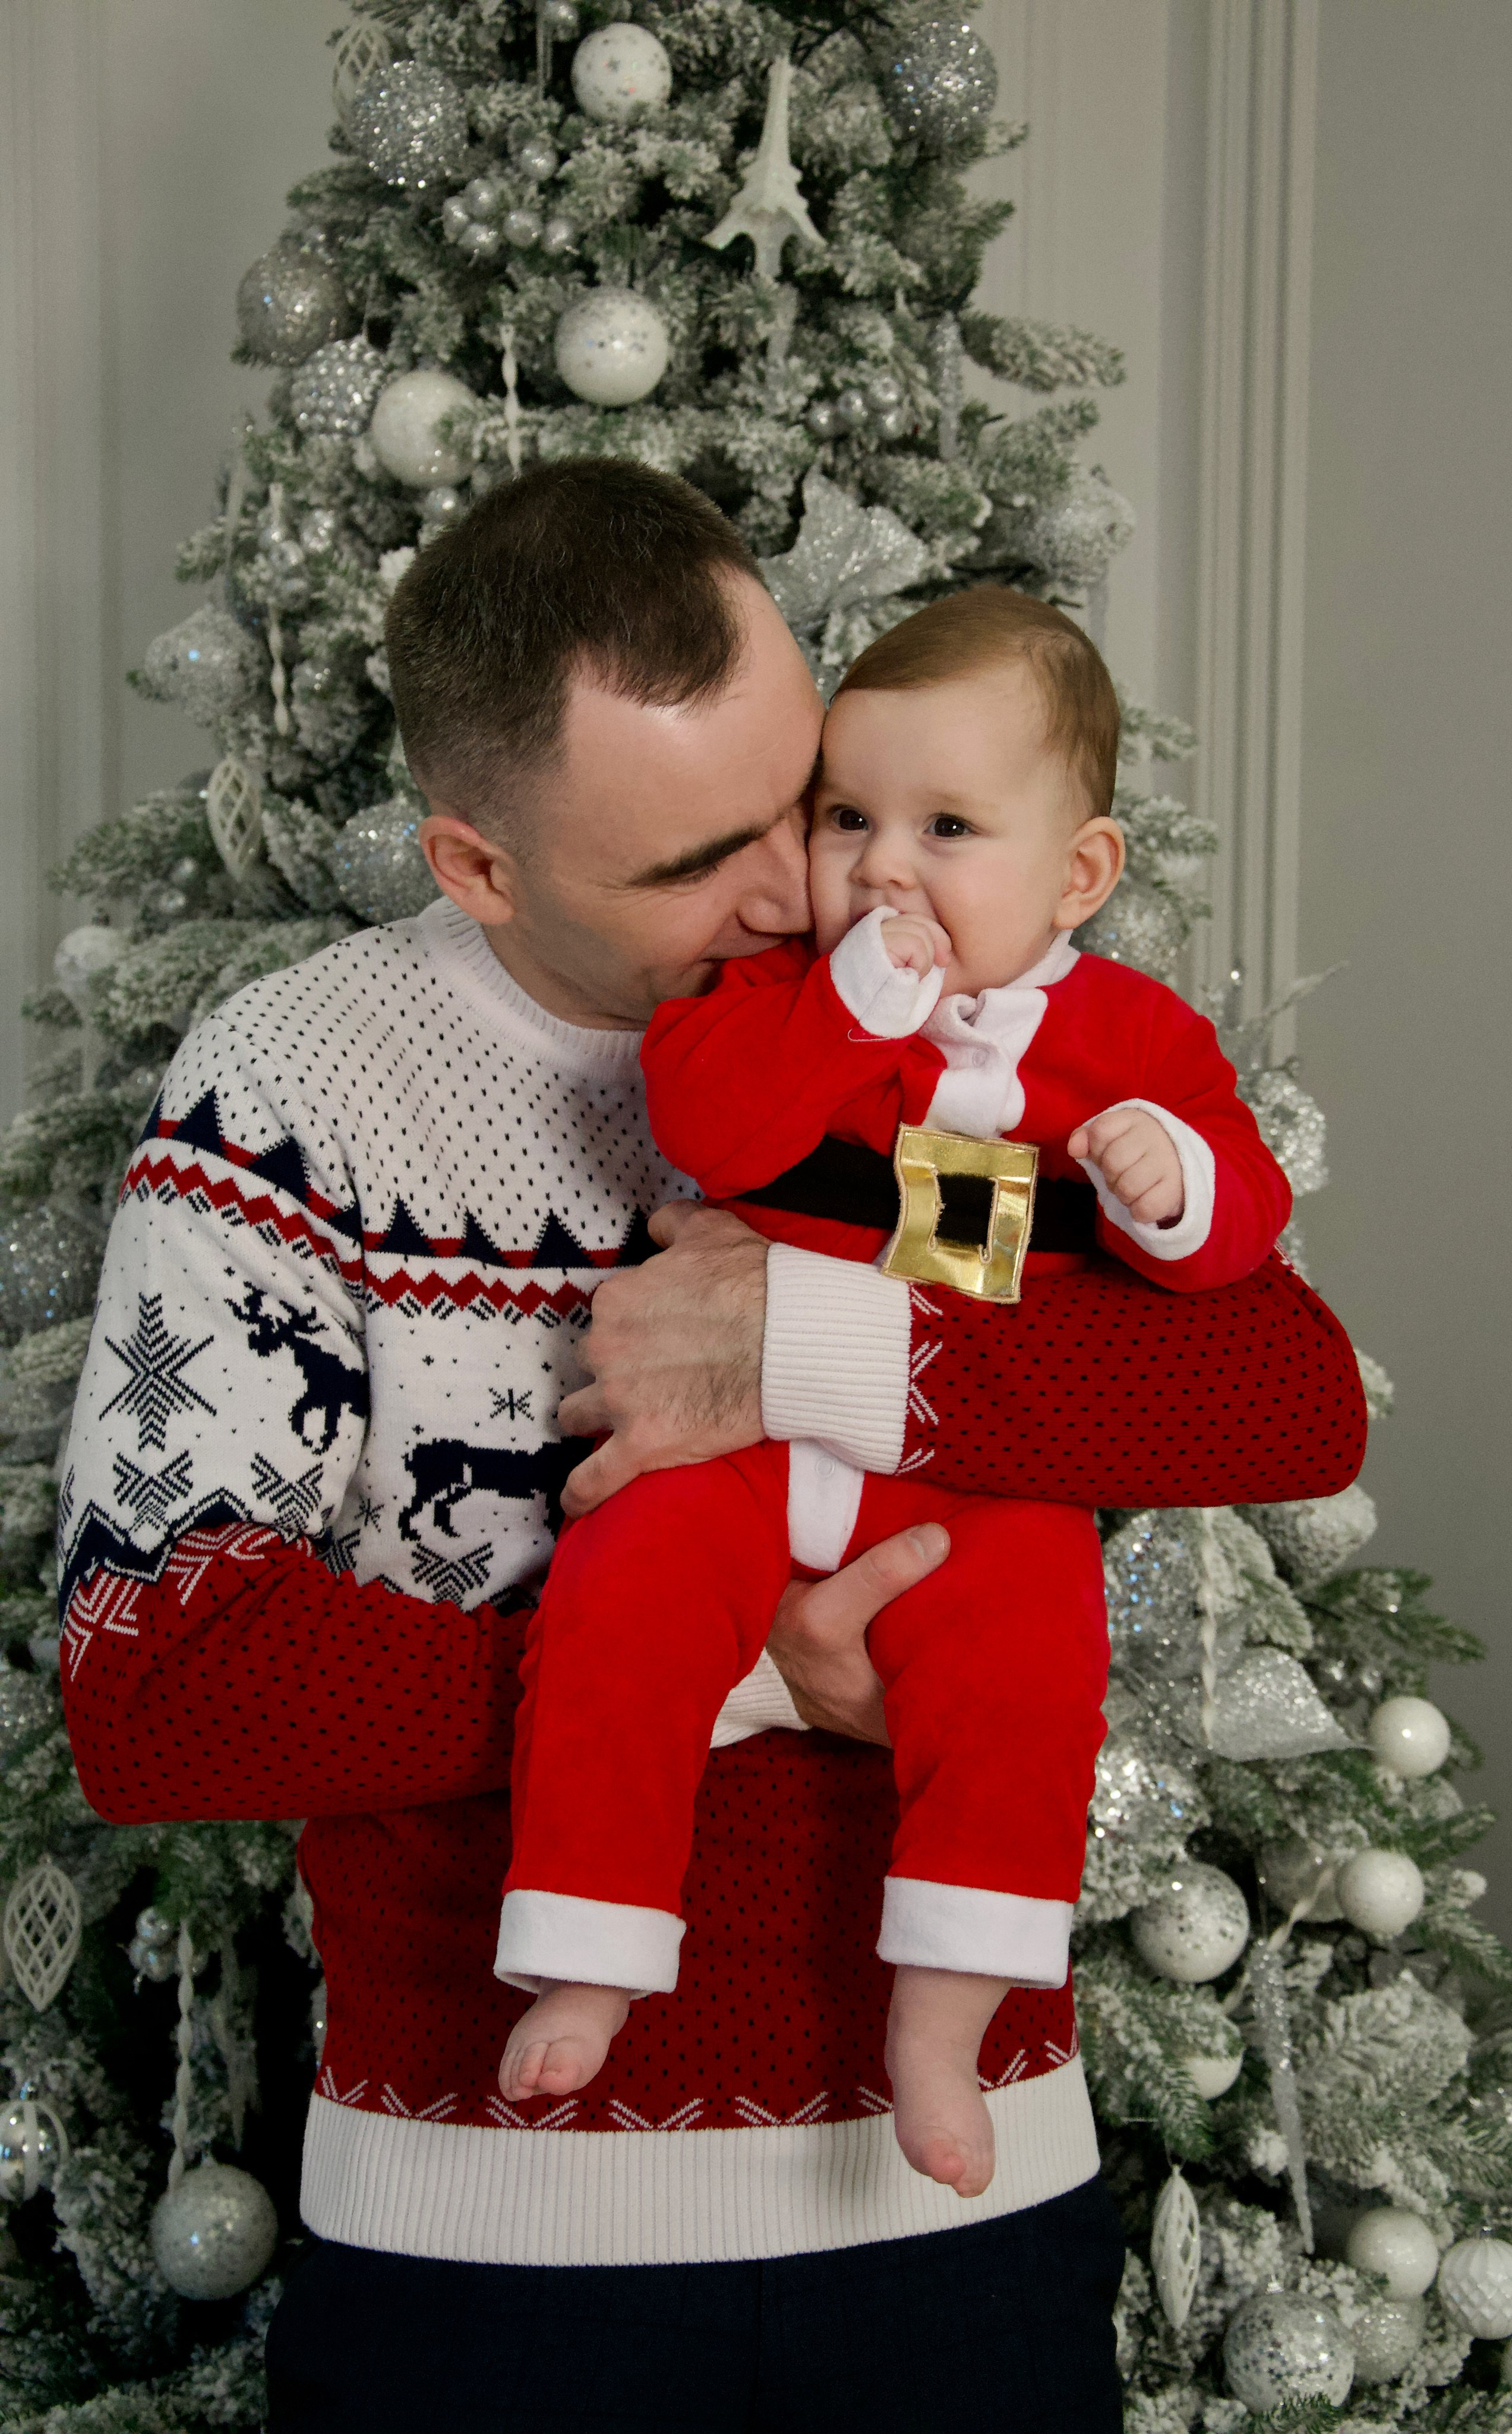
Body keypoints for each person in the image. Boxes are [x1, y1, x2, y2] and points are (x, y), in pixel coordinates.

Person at [59, 461, 1366, 2433]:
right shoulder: (298, 1085)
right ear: (479, 865)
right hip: (498, 2239)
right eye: (694, 864)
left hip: (968, 2204)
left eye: (805, 801)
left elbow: (1283, 1395)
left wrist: (821, 1343)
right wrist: (757, 1671)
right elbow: (159, 1683)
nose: (807, 897)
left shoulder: (966, 1022)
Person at [495, 587, 1292, 2204]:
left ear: (1076, 874)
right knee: (619, 1600)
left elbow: (1243, 1262)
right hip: (737, 1452)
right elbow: (711, 1125)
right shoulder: (787, 993)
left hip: (968, 1487)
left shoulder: (1131, 1040)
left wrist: (1176, 1183)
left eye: (944, 826)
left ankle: (939, 2020)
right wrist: (844, 1010)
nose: (880, 865)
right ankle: (587, 1942)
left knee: (1025, 1674)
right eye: (846, 816)